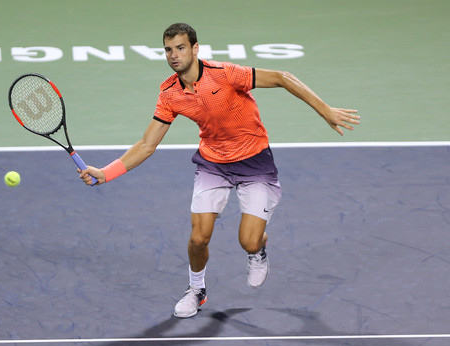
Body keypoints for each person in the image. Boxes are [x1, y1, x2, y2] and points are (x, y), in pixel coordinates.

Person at [79, 23, 360, 318]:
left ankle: (259, 248)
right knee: (199, 237)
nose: (174, 55)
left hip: (254, 163)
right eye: (168, 49)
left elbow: (282, 77)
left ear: (195, 49)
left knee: (248, 240)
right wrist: (106, 172)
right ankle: (196, 289)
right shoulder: (169, 93)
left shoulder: (226, 74)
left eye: (180, 48)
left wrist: (325, 109)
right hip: (213, 163)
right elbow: (147, 144)